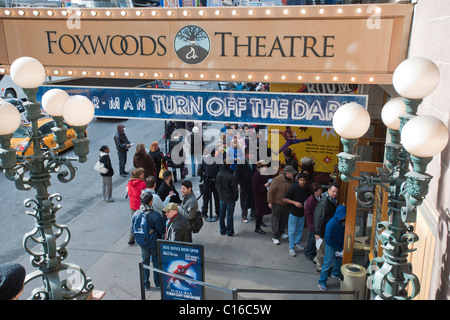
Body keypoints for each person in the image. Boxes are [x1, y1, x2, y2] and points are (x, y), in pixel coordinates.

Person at [132, 192, 165, 290]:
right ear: (151, 201)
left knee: (145, 263)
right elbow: (161, 230)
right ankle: (158, 283)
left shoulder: (136, 213)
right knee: (155, 262)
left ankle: (146, 284)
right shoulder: (155, 215)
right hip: (154, 243)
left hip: (142, 243)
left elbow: (133, 228)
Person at [318, 205, 346, 291]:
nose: (345, 217)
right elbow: (328, 239)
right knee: (327, 263)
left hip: (338, 245)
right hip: (331, 246)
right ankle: (321, 282)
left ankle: (335, 273)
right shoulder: (331, 223)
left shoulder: (342, 222)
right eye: (344, 215)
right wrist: (338, 247)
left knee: (339, 260)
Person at [267, 165, 297, 245]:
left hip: (286, 204)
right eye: (292, 173)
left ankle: (281, 232)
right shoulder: (277, 179)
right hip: (277, 203)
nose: (293, 174)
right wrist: (270, 202)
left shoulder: (291, 180)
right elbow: (270, 191)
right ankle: (275, 236)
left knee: (284, 219)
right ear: (287, 173)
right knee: (275, 220)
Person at [283, 172, 311, 256]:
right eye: (301, 180)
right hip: (293, 213)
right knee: (292, 231)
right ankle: (291, 247)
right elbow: (285, 199)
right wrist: (294, 203)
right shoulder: (294, 188)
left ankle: (297, 243)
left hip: (302, 213)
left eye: (304, 180)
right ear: (298, 180)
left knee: (299, 229)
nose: (302, 182)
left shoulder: (307, 189)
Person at [313, 183, 339, 272]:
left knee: (320, 249)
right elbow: (318, 218)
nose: (335, 193)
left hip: (325, 230)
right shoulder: (325, 202)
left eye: (336, 192)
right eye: (333, 191)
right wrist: (317, 233)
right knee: (322, 251)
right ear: (328, 190)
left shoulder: (331, 200)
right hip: (322, 231)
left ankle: (316, 260)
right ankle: (319, 267)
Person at [215, 163, 239, 237]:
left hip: (222, 197)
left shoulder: (219, 174)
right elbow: (235, 189)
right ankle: (230, 231)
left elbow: (216, 186)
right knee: (229, 215)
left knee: (222, 215)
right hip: (230, 199)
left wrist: (220, 194)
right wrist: (235, 198)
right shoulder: (231, 176)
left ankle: (222, 230)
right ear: (230, 165)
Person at [234, 148, 256, 223]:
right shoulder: (240, 163)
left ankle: (253, 213)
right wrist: (242, 183)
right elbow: (237, 176)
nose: (253, 155)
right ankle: (244, 216)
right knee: (244, 202)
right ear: (247, 154)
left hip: (252, 185)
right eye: (252, 153)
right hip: (245, 186)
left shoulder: (253, 162)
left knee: (253, 200)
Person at [197, 149, 220, 218]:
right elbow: (221, 170)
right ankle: (218, 213)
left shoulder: (203, 160)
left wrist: (204, 177)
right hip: (216, 182)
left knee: (206, 199)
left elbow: (199, 172)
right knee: (217, 199)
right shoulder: (218, 161)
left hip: (207, 182)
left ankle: (204, 213)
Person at [303, 182, 323, 262]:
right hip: (313, 223)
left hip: (316, 222)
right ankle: (308, 252)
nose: (321, 192)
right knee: (312, 238)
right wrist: (314, 222)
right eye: (320, 190)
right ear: (315, 192)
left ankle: (311, 251)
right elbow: (307, 213)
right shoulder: (310, 200)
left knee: (313, 238)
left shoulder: (319, 197)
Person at [126, 168, 147, 245]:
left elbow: (127, 191)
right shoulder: (142, 184)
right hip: (140, 206)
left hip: (132, 206)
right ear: (138, 175)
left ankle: (130, 239)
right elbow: (144, 195)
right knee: (143, 223)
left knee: (132, 222)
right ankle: (143, 238)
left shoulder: (129, 183)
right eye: (142, 174)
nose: (143, 175)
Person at [252, 160, 272, 234]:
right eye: (265, 166)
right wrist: (265, 186)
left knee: (261, 212)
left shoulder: (264, 173)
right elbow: (255, 188)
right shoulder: (256, 175)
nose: (266, 167)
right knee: (259, 212)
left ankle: (260, 223)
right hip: (259, 197)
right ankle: (257, 228)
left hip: (264, 195)